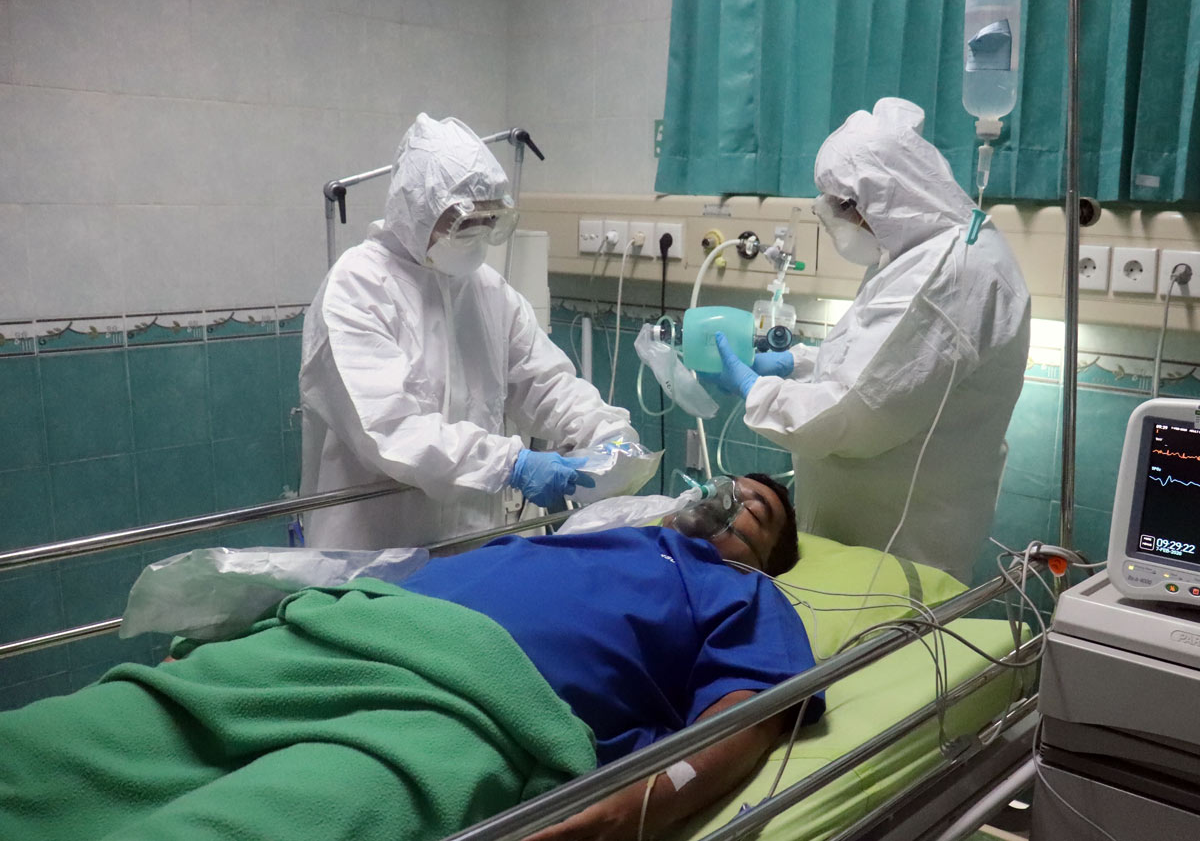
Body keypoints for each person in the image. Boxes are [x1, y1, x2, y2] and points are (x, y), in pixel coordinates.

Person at [0, 474, 821, 841]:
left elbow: (746, 719)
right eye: (734, 487)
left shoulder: (744, 596)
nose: (738, 503)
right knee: (62, 748)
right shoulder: (601, 529)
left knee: (256, 822)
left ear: (770, 558)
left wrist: (632, 807)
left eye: (761, 515)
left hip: (469, 708)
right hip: (337, 636)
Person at [709, 98, 1030, 582]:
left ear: (882, 199)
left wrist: (756, 391)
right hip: (862, 543)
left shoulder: (946, 274)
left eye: (841, 205)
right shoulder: (915, 252)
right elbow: (878, 368)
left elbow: (854, 413)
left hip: (898, 552)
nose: (831, 214)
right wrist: (796, 365)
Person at [300, 113, 637, 551]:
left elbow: (546, 383)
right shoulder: (358, 289)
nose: (477, 233)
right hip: (376, 557)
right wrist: (512, 464)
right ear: (417, 209)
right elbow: (392, 431)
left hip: (475, 546)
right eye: (463, 221)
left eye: (488, 219)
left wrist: (604, 434)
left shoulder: (488, 292)